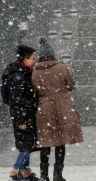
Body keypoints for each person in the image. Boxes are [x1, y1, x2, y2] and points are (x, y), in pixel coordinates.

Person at [32, 38, 83, 181]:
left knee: (45, 141)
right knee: (61, 141)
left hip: (44, 108)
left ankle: (43, 174)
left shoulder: (35, 72)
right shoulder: (62, 68)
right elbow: (71, 85)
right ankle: (57, 174)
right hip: (62, 106)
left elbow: (35, 90)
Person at [2, 45, 39, 181]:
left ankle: (25, 172)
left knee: (26, 143)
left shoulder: (22, 72)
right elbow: (16, 101)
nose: (34, 61)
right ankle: (16, 171)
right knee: (26, 144)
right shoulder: (17, 76)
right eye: (32, 58)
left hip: (27, 114)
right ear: (24, 59)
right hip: (23, 116)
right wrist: (21, 120)